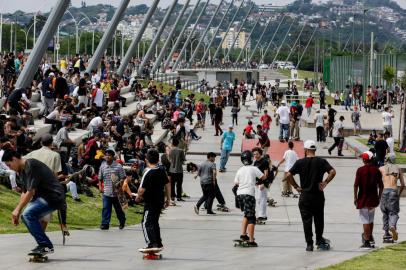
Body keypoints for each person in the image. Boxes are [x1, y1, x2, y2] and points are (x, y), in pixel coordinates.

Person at [3, 150, 65, 254]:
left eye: (9, 165)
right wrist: (17, 211)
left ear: (14, 159)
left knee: (28, 214)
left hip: (53, 196)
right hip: (44, 197)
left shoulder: (31, 165)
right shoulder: (21, 171)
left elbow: (31, 191)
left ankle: (45, 245)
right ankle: (43, 244)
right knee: (26, 216)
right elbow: (24, 192)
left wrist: (18, 210)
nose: (9, 168)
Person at [285, 140, 336, 251]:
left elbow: (288, 175)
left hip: (305, 196)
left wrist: (296, 187)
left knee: (306, 221)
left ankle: (309, 244)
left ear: (306, 150)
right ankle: (319, 240)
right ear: (314, 150)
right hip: (318, 196)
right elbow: (333, 172)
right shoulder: (321, 161)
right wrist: (325, 182)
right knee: (319, 219)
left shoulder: (300, 162)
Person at [136, 149, 170, 250]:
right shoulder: (161, 170)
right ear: (158, 159)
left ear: (146, 160)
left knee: (146, 222)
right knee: (154, 222)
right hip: (159, 201)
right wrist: (168, 199)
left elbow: (141, 190)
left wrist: (138, 197)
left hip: (150, 202)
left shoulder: (148, 172)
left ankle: (151, 244)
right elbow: (167, 184)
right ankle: (158, 243)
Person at [233, 150, 266, 247]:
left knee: (246, 214)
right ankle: (251, 240)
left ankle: (243, 235)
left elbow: (236, 183)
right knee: (252, 217)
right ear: (251, 159)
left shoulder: (240, 169)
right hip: (248, 195)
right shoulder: (253, 168)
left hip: (239, 195)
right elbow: (263, 177)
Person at [354, 151, 383, 248]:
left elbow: (356, 185)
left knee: (365, 220)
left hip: (363, 199)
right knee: (371, 219)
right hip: (373, 199)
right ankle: (370, 237)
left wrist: (355, 197)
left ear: (364, 159)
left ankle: (366, 241)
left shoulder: (360, 170)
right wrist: (379, 197)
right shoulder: (377, 170)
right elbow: (381, 186)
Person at [99, 149, 127, 230]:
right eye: (106, 155)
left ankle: (122, 221)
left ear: (113, 157)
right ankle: (105, 224)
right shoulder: (102, 166)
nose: (107, 156)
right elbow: (100, 178)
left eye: (109, 155)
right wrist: (100, 187)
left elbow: (123, 177)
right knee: (106, 208)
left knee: (118, 209)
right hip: (106, 191)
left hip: (117, 192)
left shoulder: (118, 166)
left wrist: (119, 183)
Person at [379, 156, 405, 243]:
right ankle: (392, 226)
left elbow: (378, 182)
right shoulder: (398, 169)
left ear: (386, 160)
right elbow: (402, 185)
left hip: (384, 191)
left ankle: (386, 233)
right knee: (393, 212)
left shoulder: (381, 168)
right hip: (394, 191)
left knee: (385, 213)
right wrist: (398, 194)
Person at [252, 147, 269, 223]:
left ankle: (261, 216)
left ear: (260, 154)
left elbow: (266, 173)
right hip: (257, 184)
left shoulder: (264, 161)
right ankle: (263, 215)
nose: (255, 155)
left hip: (262, 184)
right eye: (254, 154)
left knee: (262, 200)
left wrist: (264, 183)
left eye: (257, 154)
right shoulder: (255, 162)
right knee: (259, 200)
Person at [169, 138, 186, 202]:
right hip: (179, 169)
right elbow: (183, 160)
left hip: (172, 169)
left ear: (172, 143)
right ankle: (179, 197)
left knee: (172, 184)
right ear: (178, 143)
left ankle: (172, 196)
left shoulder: (171, 150)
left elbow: (169, 159)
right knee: (179, 184)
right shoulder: (181, 150)